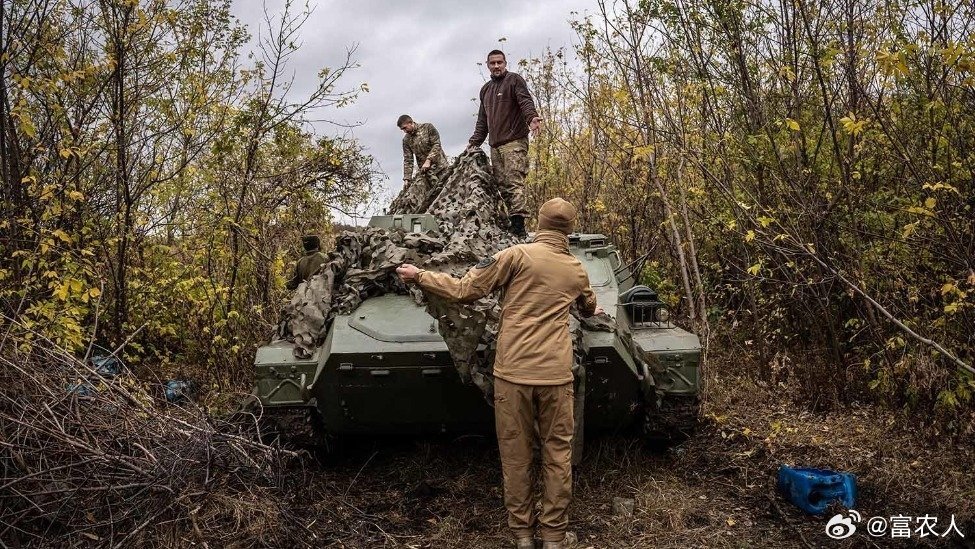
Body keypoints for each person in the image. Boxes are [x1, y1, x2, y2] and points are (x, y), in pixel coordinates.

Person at [397, 198, 602, 549]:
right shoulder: (575, 268)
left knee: (516, 454)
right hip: (555, 375)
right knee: (557, 455)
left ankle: (522, 535)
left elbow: (465, 290)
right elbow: (589, 306)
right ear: (568, 230)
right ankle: (553, 537)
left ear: (539, 223)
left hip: (514, 373)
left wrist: (420, 276)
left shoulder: (516, 255)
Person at [467, 49, 542, 238]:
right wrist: (474, 143)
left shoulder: (514, 80)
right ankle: (511, 221)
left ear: (505, 63)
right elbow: (482, 122)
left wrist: (531, 117)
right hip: (495, 145)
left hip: (514, 141)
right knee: (501, 184)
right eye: (492, 63)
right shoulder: (485, 90)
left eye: (499, 62)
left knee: (513, 182)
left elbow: (525, 101)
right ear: (488, 65)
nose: (496, 66)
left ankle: (519, 226)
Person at [398, 114, 448, 199]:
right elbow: (408, 160)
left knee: (448, 190)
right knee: (435, 196)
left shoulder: (428, 127)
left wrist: (428, 160)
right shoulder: (406, 140)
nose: (404, 131)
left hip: (441, 167)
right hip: (427, 173)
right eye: (402, 129)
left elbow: (436, 144)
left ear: (410, 122)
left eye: (405, 128)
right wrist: (407, 179)